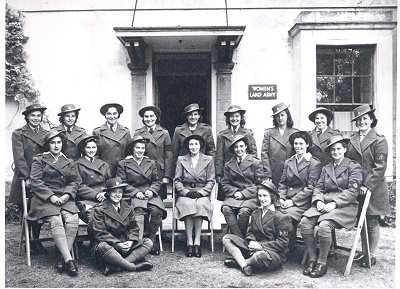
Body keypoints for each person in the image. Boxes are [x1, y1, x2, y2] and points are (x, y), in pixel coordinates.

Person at [299, 135, 362, 278]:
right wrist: (318, 201)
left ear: (345, 149)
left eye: (339, 149)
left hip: (344, 206)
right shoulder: (326, 168)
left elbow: (352, 191)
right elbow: (318, 188)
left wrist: (334, 203)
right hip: (324, 204)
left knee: (324, 225)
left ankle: (322, 262)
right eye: (333, 150)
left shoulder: (353, 166)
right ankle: (312, 258)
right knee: (305, 222)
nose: (336, 152)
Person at [28, 129, 80, 277]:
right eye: (52, 142)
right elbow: (35, 182)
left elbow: (75, 181)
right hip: (43, 198)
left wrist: (67, 194)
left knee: (73, 218)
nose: (56, 145)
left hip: (64, 197)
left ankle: (62, 258)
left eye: (59, 142)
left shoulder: (69, 161)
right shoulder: (39, 160)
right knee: (56, 219)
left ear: (62, 144)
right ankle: (69, 260)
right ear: (47, 145)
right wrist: (50, 196)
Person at [346, 104, 390, 268]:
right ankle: (364, 252)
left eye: (365, 118)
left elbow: (380, 166)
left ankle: (371, 254)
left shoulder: (379, 140)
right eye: (358, 119)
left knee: (371, 220)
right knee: (361, 220)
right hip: (356, 186)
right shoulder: (352, 140)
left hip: (373, 187)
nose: (362, 122)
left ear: (371, 120)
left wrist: (367, 184)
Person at [222, 179, 291, 276]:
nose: (262, 199)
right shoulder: (255, 212)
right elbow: (250, 232)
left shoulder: (282, 216)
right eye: (259, 196)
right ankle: (246, 265)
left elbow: (283, 243)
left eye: (265, 196)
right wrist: (251, 241)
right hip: (253, 247)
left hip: (271, 252)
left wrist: (261, 246)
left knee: (261, 256)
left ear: (272, 196)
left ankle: (241, 262)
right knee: (227, 238)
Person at [89, 177, 154, 276]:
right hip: (109, 245)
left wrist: (131, 241)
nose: (117, 195)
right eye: (114, 192)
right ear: (108, 193)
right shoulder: (99, 209)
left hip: (125, 244)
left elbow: (134, 228)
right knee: (102, 246)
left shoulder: (128, 207)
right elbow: (100, 233)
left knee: (148, 242)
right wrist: (117, 244)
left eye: (120, 192)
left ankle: (116, 266)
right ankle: (132, 267)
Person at [116, 135, 166, 255]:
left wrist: (152, 190)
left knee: (156, 210)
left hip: (148, 193)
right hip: (132, 194)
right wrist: (135, 192)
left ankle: (151, 241)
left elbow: (156, 181)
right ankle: (138, 243)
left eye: (142, 148)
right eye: (137, 148)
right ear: (132, 149)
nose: (140, 150)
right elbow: (121, 182)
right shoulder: (123, 163)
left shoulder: (150, 162)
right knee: (138, 210)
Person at [9, 104, 48, 254]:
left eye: (38, 116)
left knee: (38, 209)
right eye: (33, 116)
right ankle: (28, 241)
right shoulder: (19, 133)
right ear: (27, 117)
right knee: (26, 210)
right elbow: (19, 159)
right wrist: (27, 177)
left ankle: (36, 241)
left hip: (41, 177)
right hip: (24, 178)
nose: (36, 118)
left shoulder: (46, 133)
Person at [277, 131, 322, 251]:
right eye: (295, 144)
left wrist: (292, 201)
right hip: (287, 200)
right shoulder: (289, 162)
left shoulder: (314, 163)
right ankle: (281, 246)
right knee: (273, 214)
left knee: (286, 216)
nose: (298, 146)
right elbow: (282, 183)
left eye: (301, 143)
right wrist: (281, 197)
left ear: (307, 144)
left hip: (303, 203)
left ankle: (288, 248)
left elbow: (311, 188)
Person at [174, 135, 215, 258]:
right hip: (186, 192)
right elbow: (177, 180)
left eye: (196, 144)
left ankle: (197, 242)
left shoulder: (208, 159)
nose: (194, 147)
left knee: (200, 204)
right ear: (187, 146)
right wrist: (186, 192)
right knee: (188, 204)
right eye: (191, 144)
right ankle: (189, 243)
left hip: (201, 191)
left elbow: (211, 181)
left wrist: (202, 193)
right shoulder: (182, 159)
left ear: (200, 145)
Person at [221, 135, 265, 238]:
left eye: (241, 146)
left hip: (250, 196)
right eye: (236, 147)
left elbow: (259, 184)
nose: (239, 149)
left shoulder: (255, 162)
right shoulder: (228, 164)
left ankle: (238, 239)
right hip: (234, 196)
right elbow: (225, 183)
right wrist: (235, 192)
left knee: (244, 212)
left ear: (246, 147)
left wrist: (244, 194)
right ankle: (239, 238)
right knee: (226, 208)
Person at [133, 105, 173, 199]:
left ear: (156, 117)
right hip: (143, 171)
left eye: (151, 116)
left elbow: (169, 154)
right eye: (146, 116)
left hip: (159, 172)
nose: (149, 119)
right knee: (143, 200)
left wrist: (167, 175)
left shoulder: (165, 133)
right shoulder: (138, 133)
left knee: (158, 201)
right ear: (143, 118)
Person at [215, 104, 258, 185]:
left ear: (241, 118)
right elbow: (219, 156)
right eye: (232, 116)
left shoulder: (248, 133)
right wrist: (218, 174)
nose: (234, 119)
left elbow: (253, 154)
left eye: (237, 116)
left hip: (245, 173)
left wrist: (250, 170)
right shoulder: (222, 135)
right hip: (227, 173)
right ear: (228, 118)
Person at [75, 134, 111, 224]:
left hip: (104, 198)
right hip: (86, 200)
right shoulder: (77, 164)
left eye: (94, 147)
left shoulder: (104, 164)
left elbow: (110, 183)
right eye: (88, 148)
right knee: (95, 218)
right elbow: (78, 186)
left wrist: (106, 194)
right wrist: (96, 195)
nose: (91, 150)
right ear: (83, 149)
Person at [261, 102, 299, 186]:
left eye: (282, 115)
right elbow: (264, 154)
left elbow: (298, 154)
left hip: (290, 172)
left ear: (287, 116)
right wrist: (268, 174)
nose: (280, 118)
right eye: (277, 116)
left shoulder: (295, 132)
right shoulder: (269, 133)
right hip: (273, 172)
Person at [93, 102, 131, 176]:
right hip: (105, 170)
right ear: (105, 115)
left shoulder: (126, 132)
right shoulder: (97, 132)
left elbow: (129, 153)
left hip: (121, 171)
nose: (112, 116)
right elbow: (95, 155)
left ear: (118, 115)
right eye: (109, 114)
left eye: (114, 113)